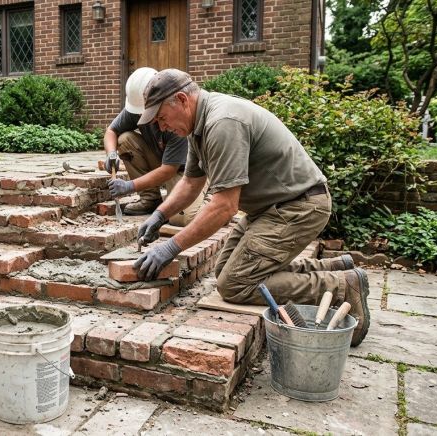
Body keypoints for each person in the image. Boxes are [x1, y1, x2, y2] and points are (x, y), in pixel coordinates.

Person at [132, 68, 370, 347]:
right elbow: (191, 182)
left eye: (161, 117)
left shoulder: (222, 123)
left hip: (299, 208)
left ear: (183, 100)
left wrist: (171, 247)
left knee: (235, 284)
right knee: (225, 272)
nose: (161, 127)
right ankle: (333, 266)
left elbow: (224, 206)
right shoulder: (198, 126)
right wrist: (160, 215)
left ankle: (342, 286)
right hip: (271, 209)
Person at [104, 67, 206, 224]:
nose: (140, 116)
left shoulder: (176, 121)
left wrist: (129, 186)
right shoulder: (137, 109)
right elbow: (111, 131)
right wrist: (111, 154)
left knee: (182, 218)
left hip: (184, 170)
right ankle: (150, 199)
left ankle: (210, 196)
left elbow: (168, 170)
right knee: (125, 139)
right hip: (162, 160)